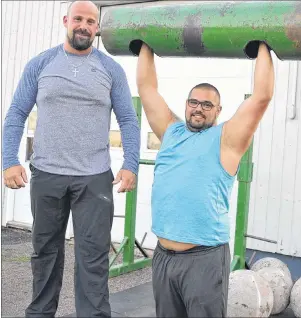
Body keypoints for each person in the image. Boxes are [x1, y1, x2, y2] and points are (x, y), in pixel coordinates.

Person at [2, 1, 140, 317]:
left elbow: (128, 120)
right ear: (67, 21)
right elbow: (16, 114)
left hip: (94, 178)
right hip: (47, 174)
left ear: (97, 28)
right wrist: (9, 159)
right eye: (78, 19)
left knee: (92, 256)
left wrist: (130, 163)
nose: (84, 26)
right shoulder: (41, 64)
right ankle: (40, 313)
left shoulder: (110, 69)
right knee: (44, 253)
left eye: (91, 21)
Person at [136, 41, 274, 317]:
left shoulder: (227, 140)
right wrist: (145, 43)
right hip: (162, 256)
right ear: (186, 104)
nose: (198, 108)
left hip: (204, 258)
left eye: (207, 104)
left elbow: (261, 97)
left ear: (218, 110)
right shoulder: (170, 132)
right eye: (193, 102)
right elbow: (147, 88)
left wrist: (262, 44)